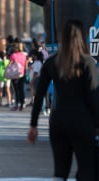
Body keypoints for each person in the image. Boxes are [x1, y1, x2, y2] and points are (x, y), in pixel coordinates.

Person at [27, 19, 99, 181]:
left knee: (60, 171)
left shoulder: (52, 62)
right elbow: (93, 96)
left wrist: (33, 125)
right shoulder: (88, 63)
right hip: (83, 121)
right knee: (87, 169)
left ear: (63, 37)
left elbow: (39, 95)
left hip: (58, 122)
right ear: (83, 37)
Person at [9, 39, 27, 111]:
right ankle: (22, 104)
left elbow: (10, 65)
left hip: (15, 74)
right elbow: (25, 65)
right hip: (22, 73)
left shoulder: (13, 55)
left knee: (16, 90)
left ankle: (17, 104)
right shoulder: (24, 55)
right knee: (21, 89)